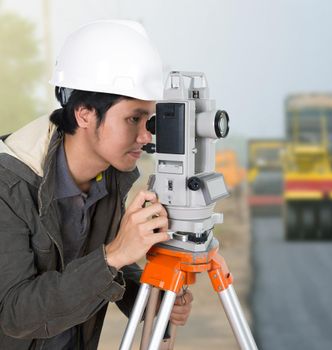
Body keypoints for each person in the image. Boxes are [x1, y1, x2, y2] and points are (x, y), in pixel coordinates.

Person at [0, 20, 193, 349]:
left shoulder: (110, 176)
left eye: (150, 120)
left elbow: (102, 263)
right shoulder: (10, 186)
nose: (147, 136)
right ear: (85, 113)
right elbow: (15, 315)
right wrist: (114, 254)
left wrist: (150, 298)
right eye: (133, 119)